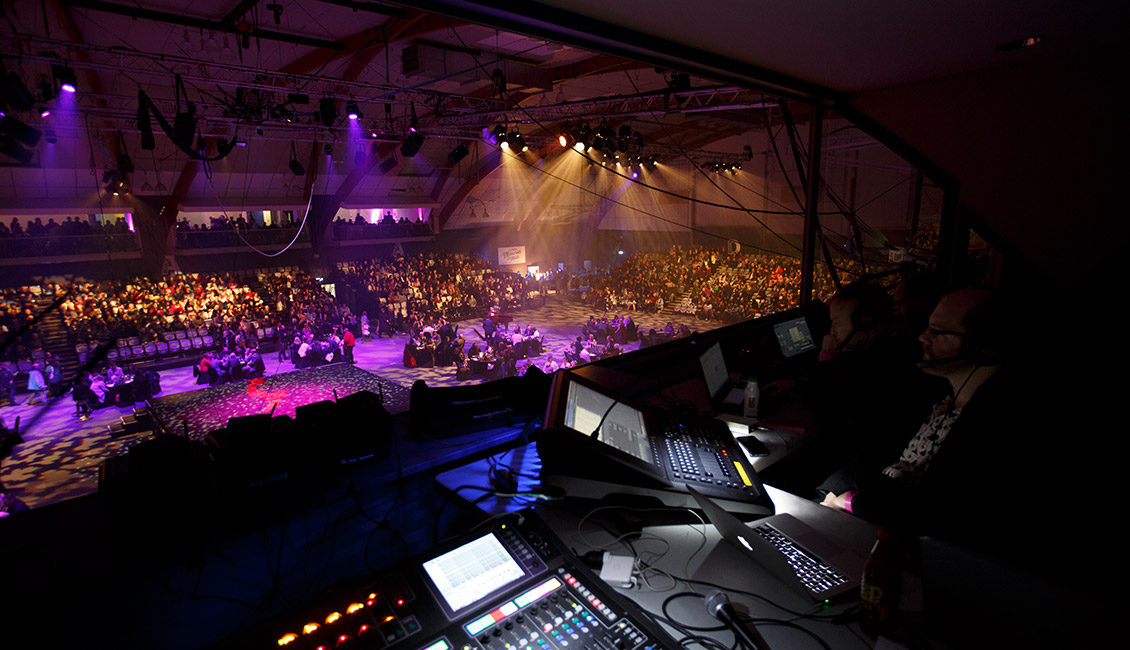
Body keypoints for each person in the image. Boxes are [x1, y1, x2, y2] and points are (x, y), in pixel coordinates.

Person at [819, 286, 1039, 559]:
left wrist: (852, 501)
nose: (923, 337)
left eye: (937, 331)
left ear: (982, 344)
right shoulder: (938, 397)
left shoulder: (993, 426)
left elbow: (931, 514)